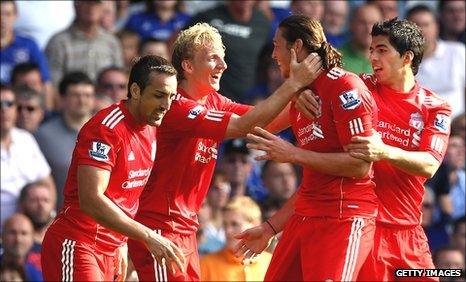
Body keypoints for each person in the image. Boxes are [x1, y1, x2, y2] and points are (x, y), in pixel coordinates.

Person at [127, 22, 322, 281]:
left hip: (184, 228)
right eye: (213, 58)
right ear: (187, 65)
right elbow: (244, 125)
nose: (223, 65)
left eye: (224, 57)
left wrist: (309, 98)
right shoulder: (176, 105)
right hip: (159, 227)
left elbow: (267, 121)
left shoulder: (214, 101)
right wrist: (293, 86)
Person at [233, 14, 378, 281]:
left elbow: (360, 165)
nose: (273, 54)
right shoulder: (301, 95)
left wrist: (292, 154)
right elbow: (251, 125)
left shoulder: (344, 87)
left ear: (296, 46)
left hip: (345, 217)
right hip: (306, 215)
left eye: (277, 45)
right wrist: (269, 228)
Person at [40, 55, 185, 281]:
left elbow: (126, 194)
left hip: (111, 249)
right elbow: (91, 199)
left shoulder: (149, 128)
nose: (166, 105)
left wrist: (122, 241)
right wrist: (146, 235)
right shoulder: (105, 129)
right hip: (79, 243)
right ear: (135, 91)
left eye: (171, 97)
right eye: (159, 95)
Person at [200, 196, 272, 281]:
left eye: (235, 224)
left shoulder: (271, 262)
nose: (228, 231)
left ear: (255, 225)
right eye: (225, 225)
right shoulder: (206, 264)